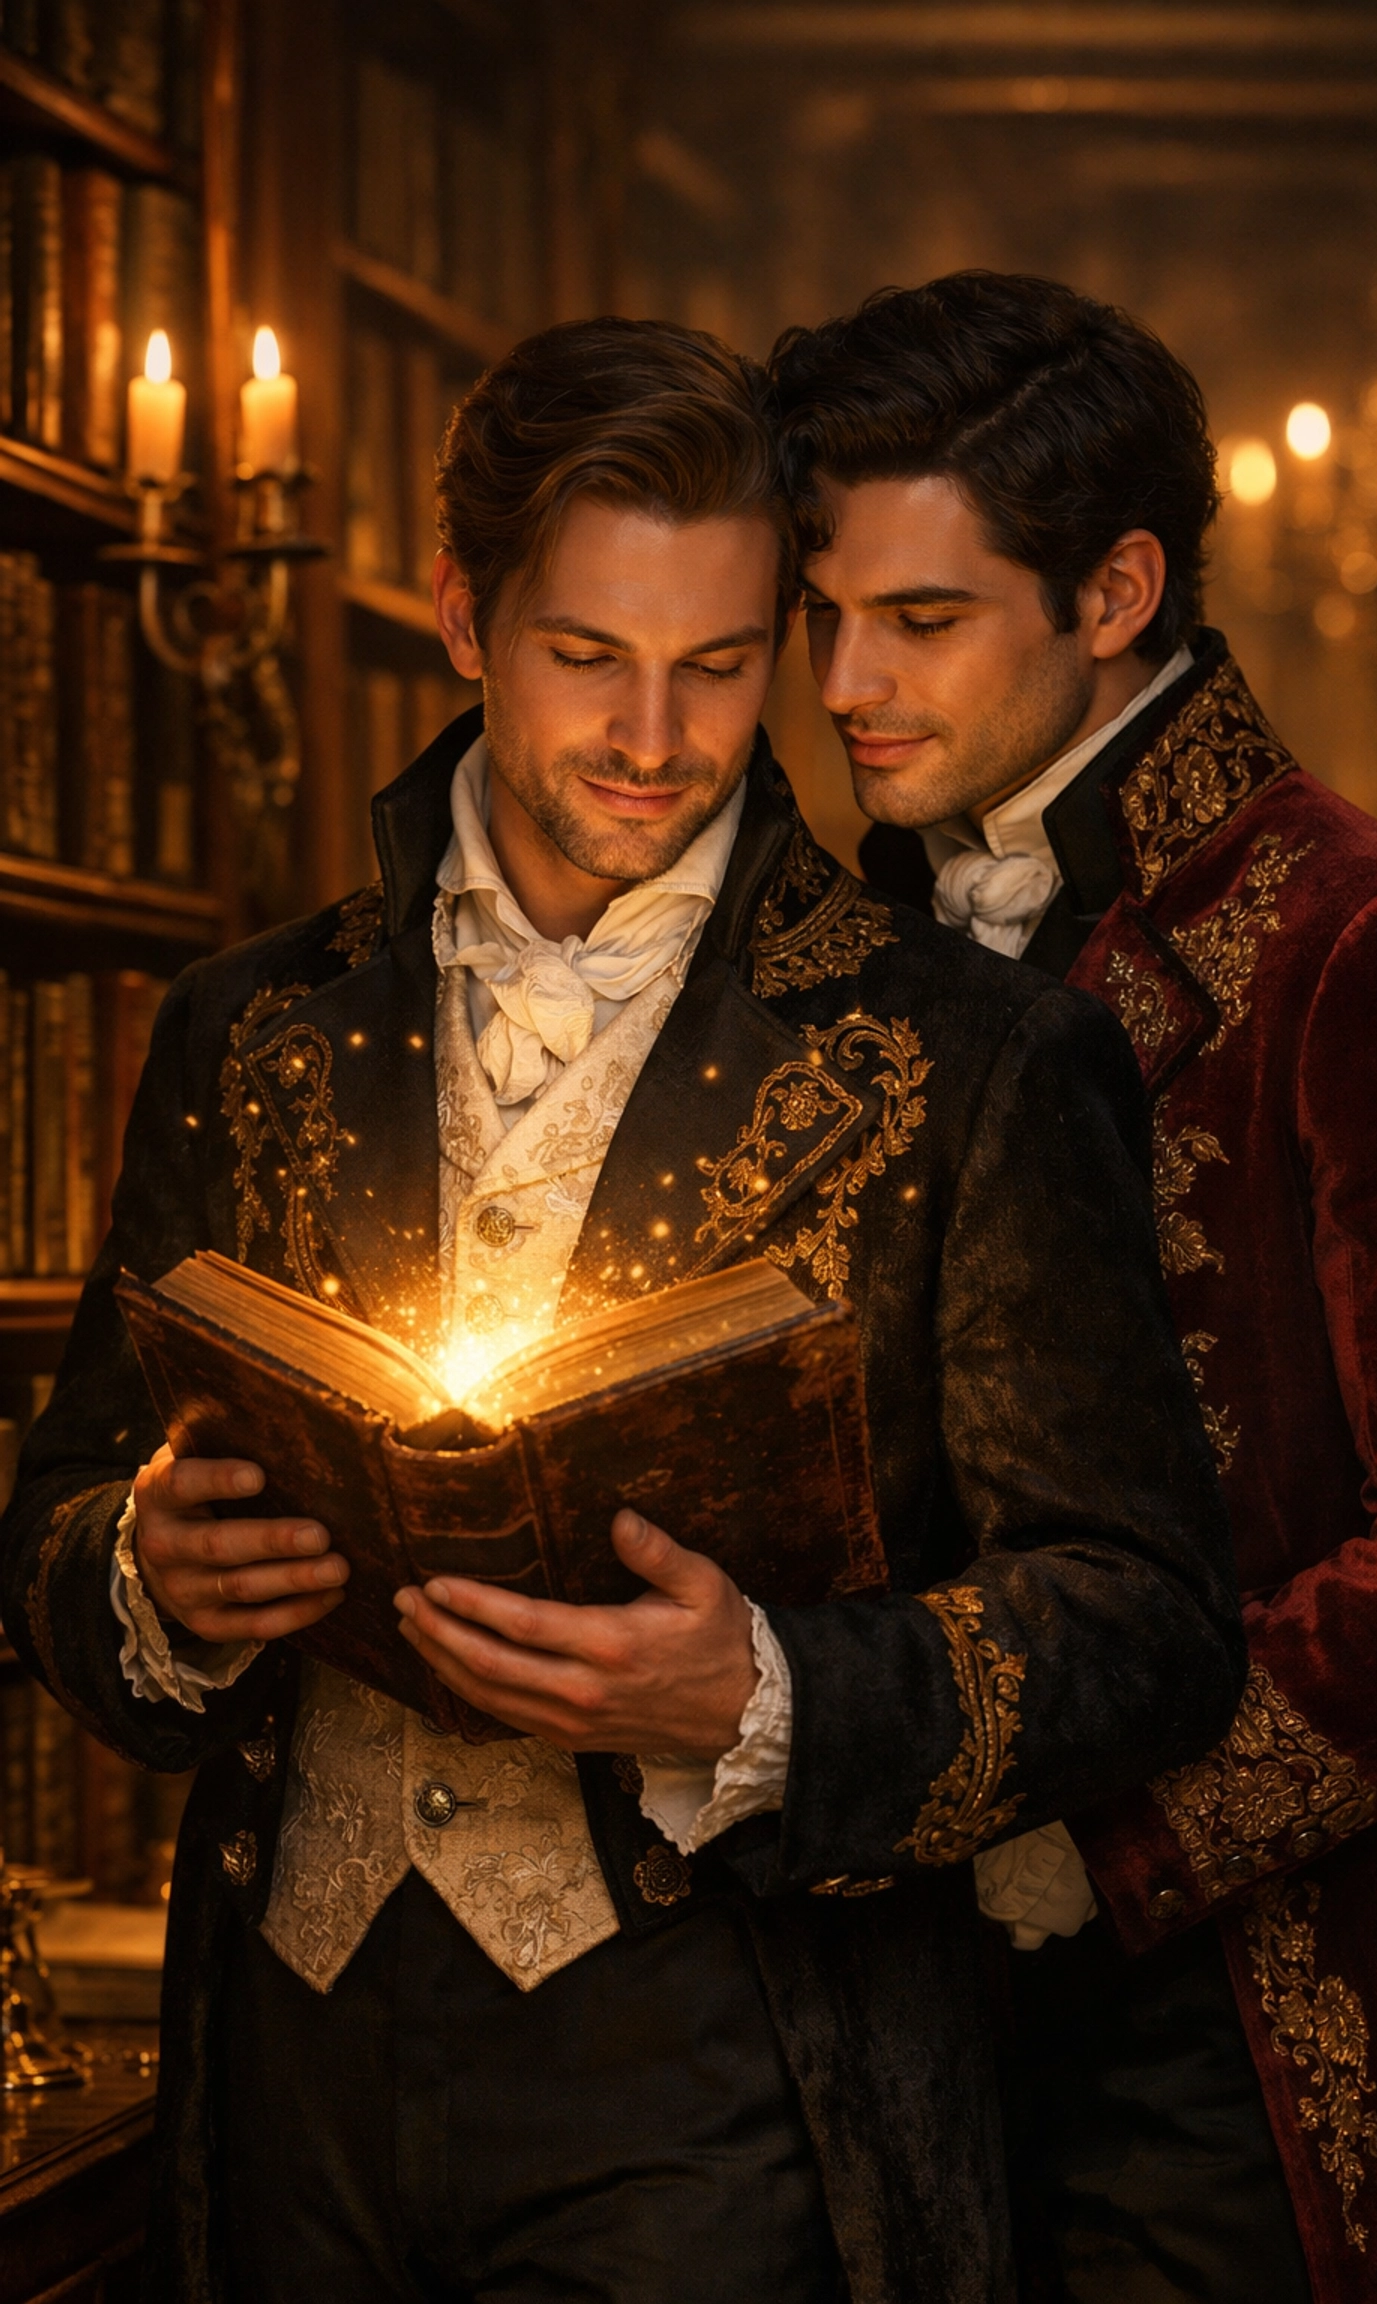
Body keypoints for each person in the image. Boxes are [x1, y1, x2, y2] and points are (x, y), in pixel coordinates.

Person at [0, 317, 1241, 2304]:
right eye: (588, 655)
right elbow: (52, 1528)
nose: (656, 735)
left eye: (722, 664)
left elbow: (1149, 1628)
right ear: (462, 613)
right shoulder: (244, 1029)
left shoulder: (980, 1057)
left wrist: (770, 1695)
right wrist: (144, 1575)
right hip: (290, 2073)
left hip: (735, 2088)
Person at [769, 269, 1377, 2304]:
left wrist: (1100, 1835)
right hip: (875, 2006)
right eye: (822, 613)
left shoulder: (1370, 947)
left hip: (1260, 2032)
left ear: (1116, 593)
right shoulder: (843, 950)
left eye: (921, 622)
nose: (846, 679)